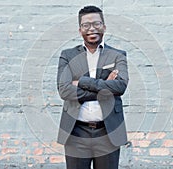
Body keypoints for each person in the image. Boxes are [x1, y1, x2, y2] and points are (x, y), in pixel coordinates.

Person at [56, 5, 129, 169]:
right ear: (80, 29)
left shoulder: (118, 55)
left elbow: (120, 86)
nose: (91, 29)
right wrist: (104, 89)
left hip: (107, 132)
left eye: (96, 24)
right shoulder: (68, 55)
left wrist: (81, 82)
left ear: (104, 26)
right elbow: (64, 90)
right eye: (86, 25)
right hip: (76, 132)